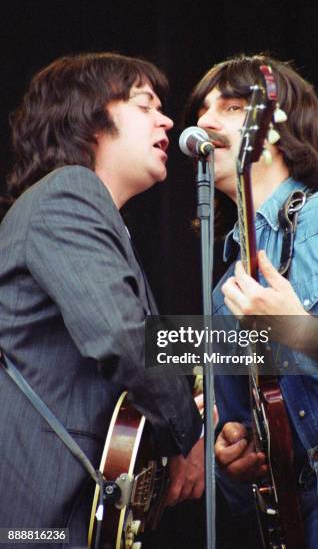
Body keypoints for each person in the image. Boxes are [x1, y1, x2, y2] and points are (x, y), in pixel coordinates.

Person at [185, 53, 318, 548]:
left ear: (274, 127)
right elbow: (250, 475)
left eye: (232, 107)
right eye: (202, 110)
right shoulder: (224, 294)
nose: (205, 121)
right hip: (306, 512)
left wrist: (299, 330)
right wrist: (235, 460)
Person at [0, 53, 203, 547]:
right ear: (90, 120)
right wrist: (190, 433)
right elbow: (127, 337)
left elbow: (160, 342)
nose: (168, 120)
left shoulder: (92, 220)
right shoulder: (69, 194)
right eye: (143, 104)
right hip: (37, 522)